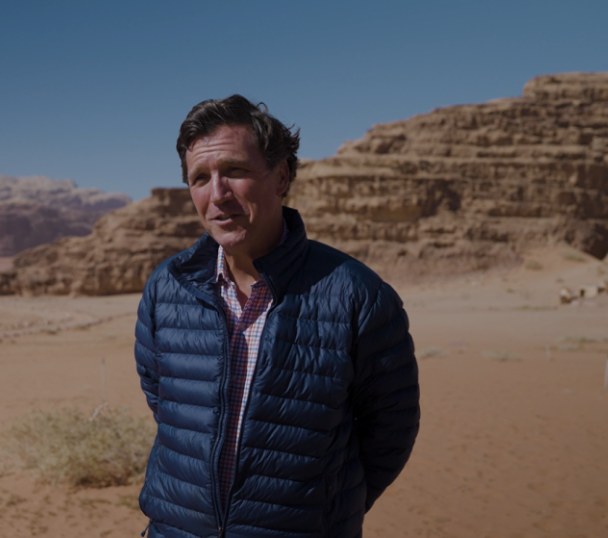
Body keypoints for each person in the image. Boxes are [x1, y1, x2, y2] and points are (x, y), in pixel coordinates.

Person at [134, 95, 420, 538]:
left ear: (282, 176)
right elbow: (167, 403)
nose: (217, 194)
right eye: (200, 178)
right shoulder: (168, 288)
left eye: (235, 171)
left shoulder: (356, 296)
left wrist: (324, 508)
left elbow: (390, 431)